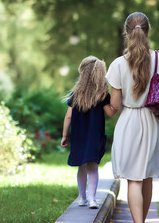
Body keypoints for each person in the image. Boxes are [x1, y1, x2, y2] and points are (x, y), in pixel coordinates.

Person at [105, 12, 159, 223]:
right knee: (147, 176)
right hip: (154, 123)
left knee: (134, 179)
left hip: (129, 122)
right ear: (148, 32)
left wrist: (100, 105)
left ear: (126, 33)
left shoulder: (118, 65)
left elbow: (114, 106)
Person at [60, 56, 116, 209]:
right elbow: (110, 113)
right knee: (93, 167)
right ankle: (92, 199)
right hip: (94, 136)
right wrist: (118, 104)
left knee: (81, 167)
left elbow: (69, 116)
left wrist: (65, 135)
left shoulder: (76, 94)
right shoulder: (102, 94)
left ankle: (82, 198)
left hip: (78, 137)